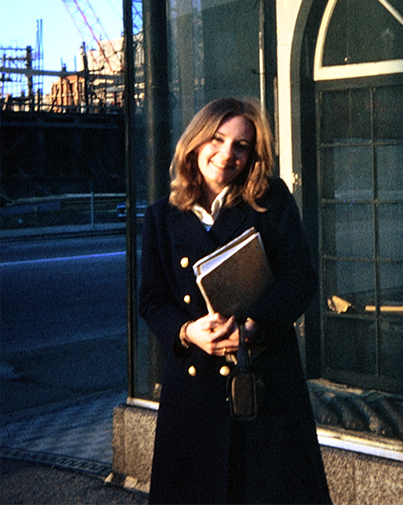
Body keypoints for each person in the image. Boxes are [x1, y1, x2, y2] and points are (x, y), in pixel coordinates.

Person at [140, 97, 332, 505]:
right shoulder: (161, 216)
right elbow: (152, 300)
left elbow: (301, 279)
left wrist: (255, 323)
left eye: (241, 146)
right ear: (195, 142)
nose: (227, 154)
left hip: (265, 388)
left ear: (252, 154)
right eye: (217, 139)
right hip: (193, 394)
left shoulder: (271, 200)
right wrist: (188, 331)